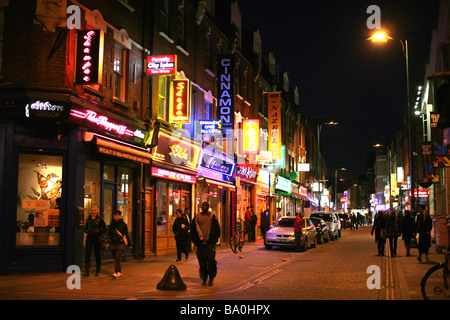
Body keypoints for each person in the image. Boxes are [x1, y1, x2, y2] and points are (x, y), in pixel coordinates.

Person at [190, 202, 220, 286]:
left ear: (208, 207)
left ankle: (211, 278)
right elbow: (193, 230)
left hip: (210, 244)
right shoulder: (197, 217)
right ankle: (204, 278)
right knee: (202, 263)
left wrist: (213, 241)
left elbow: (217, 229)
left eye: (206, 206)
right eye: (203, 206)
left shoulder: (213, 216)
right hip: (200, 244)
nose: (204, 207)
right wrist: (196, 242)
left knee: (211, 261)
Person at [107, 210, 132, 278]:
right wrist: (107, 242)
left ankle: (116, 272)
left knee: (117, 257)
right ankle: (119, 272)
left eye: (117, 215)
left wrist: (130, 244)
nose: (115, 217)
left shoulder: (123, 224)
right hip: (113, 243)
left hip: (120, 243)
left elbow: (126, 234)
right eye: (114, 215)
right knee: (117, 258)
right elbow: (109, 234)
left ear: (120, 216)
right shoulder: (112, 225)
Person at [83, 205, 107, 277]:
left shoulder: (100, 219)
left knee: (97, 255)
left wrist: (99, 231)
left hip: (97, 239)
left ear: (97, 211)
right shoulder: (89, 219)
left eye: (95, 210)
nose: (93, 212)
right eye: (92, 210)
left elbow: (105, 229)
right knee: (87, 254)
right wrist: (88, 231)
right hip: (89, 238)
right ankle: (87, 271)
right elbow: (85, 227)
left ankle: (97, 270)